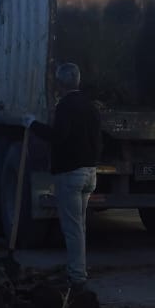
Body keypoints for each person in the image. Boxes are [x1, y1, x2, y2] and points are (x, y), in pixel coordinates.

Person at [28, 61, 101, 295]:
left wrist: (33, 125)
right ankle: (77, 269)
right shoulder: (91, 106)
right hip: (90, 173)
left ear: (60, 84)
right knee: (79, 226)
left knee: (72, 228)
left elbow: (58, 136)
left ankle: (77, 277)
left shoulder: (65, 106)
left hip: (70, 174)